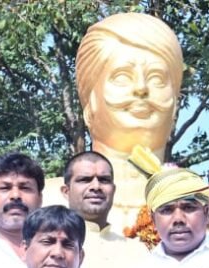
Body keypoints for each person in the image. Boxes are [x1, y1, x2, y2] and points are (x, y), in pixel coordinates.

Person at [57, 13, 182, 229]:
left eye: (156, 78)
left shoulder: (202, 206)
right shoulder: (46, 202)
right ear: (90, 101)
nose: (141, 88)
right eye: (122, 76)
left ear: (174, 104)